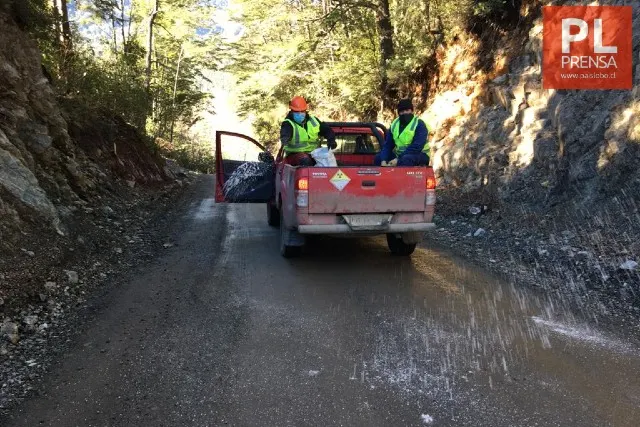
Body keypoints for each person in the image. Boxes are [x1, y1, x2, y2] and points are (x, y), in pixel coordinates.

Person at [280, 96, 337, 166]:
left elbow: (326, 130)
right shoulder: (288, 124)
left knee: (329, 161)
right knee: (305, 159)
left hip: (314, 153)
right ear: (291, 111)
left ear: (305, 110)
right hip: (295, 155)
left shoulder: (314, 121)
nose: (300, 114)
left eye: (302, 111)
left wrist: (331, 140)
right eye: (297, 112)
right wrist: (285, 138)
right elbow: (285, 134)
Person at [375, 98, 430, 167]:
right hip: (400, 155)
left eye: (407, 110)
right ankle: (383, 177)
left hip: (420, 154)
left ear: (412, 111)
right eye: (402, 111)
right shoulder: (394, 125)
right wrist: (383, 159)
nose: (404, 113)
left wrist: (397, 159)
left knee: (405, 159)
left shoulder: (419, 124)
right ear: (398, 113)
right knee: (378, 158)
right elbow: (388, 145)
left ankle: (400, 178)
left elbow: (417, 147)